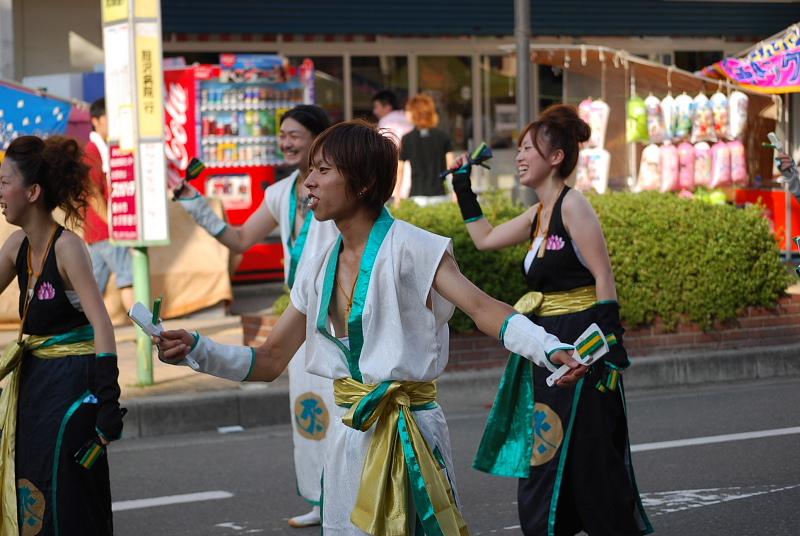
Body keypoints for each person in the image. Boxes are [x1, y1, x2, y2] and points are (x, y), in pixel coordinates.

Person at [154, 119, 588, 535]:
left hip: (411, 433)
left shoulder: (413, 247)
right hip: (347, 436)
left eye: (323, 171)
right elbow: (269, 360)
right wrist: (195, 347)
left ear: (362, 184)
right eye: (310, 171)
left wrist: (547, 347)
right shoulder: (317, 267)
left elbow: (482, 307)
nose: (309, 183)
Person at [450, 104, 652, 535]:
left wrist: (609, 349)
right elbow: (484, 240)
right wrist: (464, 188)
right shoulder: (537, 214)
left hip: (582, 347)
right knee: (544, 446)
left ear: (556, 157)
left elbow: (602, 275)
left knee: (590, 453)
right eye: (519, 148)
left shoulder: (572, 205)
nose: (519, 156)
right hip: (546, 346)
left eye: (528, 148)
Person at [172, 104, 338, 528]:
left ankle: (350, 493)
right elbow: (241, 238)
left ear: (319, 139)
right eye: (282, 134)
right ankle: (321, 498)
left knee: (343, 409)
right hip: (299, 316)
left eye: (295, 134)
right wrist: (194, 204)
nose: (285, 142)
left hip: (338, 317)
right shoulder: (282, 192)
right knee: (309, 410)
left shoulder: (342, 188)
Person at [0, 135, 124, 534]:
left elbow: (102, 324)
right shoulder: (15, 245)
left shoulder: (68, 248)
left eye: (4, 182)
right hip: (33, 386)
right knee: (29, 480)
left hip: (72, 390)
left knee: (67, 490)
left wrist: (108, 398)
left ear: (32, 191)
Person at [82, 98, 134, 310]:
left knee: (92, 289)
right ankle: (146, 332)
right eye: (109, 117)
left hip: (95, 231)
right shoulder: (93, 151)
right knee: (129, 279)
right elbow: (93, 193)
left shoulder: (99, 149)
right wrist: (113, 224)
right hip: (105, 231)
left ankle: (77, 331)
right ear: (96, 120)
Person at [396, 94, 455, 204]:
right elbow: (452, 166)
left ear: (415, 113)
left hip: (417, 196)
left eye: (408, 111)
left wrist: (397, 196)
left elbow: (400, 169)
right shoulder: (443, 136)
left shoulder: (407, 139)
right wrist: (456, 192)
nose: (406, 114)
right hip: (441, 195)